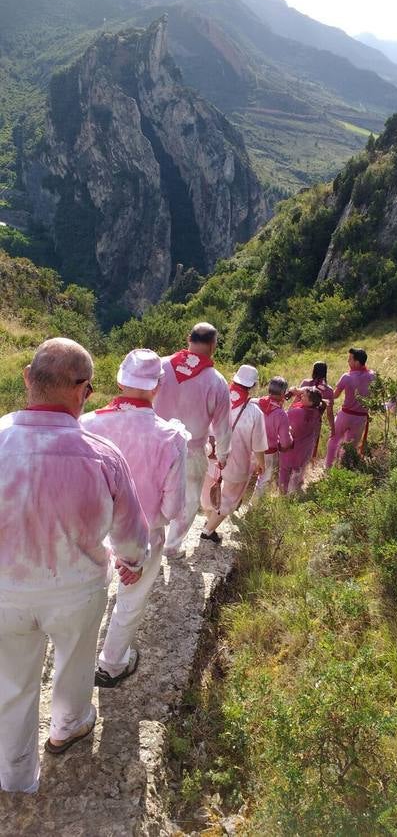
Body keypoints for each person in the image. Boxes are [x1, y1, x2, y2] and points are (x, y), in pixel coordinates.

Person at [0, 338, 149, 794]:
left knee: (12, 682)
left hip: (5, 590)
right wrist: (132, 562)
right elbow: (131, 536)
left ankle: (16, 774)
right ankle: (67, 726)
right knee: (75, 663)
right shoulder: (102, 455)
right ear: (84, 390)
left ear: (27, 378)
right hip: (78, 589)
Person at [81, 349, 190, 688]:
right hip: (144, 534)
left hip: (93, 531)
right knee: (131, 599)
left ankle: (77, 662)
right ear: (158, 385)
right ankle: (112, 664)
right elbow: (174, 508)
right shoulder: (170, 436)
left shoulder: (86, 425)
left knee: (89, 594)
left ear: (118, 381)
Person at [154, 323, 232, 557]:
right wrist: (223, 455)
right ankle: (172, 545)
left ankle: (151, 542)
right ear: (213, 345)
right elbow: (222, 425)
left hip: (154, 444)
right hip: (192, 450)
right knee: (188, 501)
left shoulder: (159, 365)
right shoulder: (216, 381)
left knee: (151, 492)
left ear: (189, 338)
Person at [200, 365, 268, 542]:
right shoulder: (254, 412)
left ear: (234, 380)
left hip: (211, 455)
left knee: (208, 494)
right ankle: (208, 530)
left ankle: (210, 523)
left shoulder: (216, 399)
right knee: (230, 498)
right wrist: (261, 463)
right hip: (237, 462)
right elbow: (258, 444)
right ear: (252, 386)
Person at [326, 348, 376, 466]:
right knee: (351, 446)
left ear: (357, 362)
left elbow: (335, 395)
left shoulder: (346, 377)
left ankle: (328, 467)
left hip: (345, 415)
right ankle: (344, 468)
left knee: (334, 439)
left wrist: (323, 395)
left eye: (350, 360)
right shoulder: (373, 376)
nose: (348, 362)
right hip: (360, 418)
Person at [279, 386, 326, 494]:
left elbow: (284, 419)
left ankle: (282, 493)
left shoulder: (297, 412)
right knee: (297, 471)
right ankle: (292, 493)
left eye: (304, 396)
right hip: (306, 448)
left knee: (284, 471)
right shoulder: (317, 412)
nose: (301, 396)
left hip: (292, 448)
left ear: (310, 401)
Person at [252, 376, 293, 496]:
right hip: (268, 452)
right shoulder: (281, 414)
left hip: (249, 448)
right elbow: (285, 442)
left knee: (243, 477)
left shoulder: (254, 402)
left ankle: (233, 502)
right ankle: (252, 509)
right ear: (283, 393)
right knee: (263, 480)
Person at [300, 361, 335, 455]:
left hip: (299, 418)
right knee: (310, 449)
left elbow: (297, 402)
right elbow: (330, 413)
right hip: (315, 423)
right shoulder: (329, 390)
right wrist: (333, 428)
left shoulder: (305, 383)